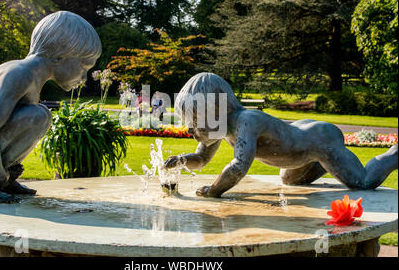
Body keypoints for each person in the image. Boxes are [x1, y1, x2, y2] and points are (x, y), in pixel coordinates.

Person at [164, 73, 398, 198]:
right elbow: (202, 161)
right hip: (298, 152)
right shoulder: (221, 130)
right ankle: (329, 165)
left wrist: (213, 191)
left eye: (194, 123)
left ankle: (394, 154)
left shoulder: (247, 121)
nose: (189, 131)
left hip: (320, 139)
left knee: (363, 182)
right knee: (288, 180)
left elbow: (238, 167)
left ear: (215, 112)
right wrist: (178, 161)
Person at [0, 11, 102, 202]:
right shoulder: (20, 74)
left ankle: (0, 180)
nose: (84, 77)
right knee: (37, 116)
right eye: (84, 67)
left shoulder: (30, 75)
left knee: (41, 115)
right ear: (61, 55)